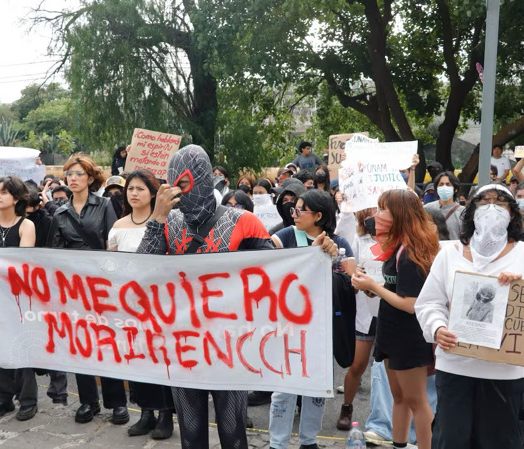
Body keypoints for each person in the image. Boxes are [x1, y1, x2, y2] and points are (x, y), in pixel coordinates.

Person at [137, 144, 340, 449]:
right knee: (191, 436)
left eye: (184, 184)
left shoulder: (243, 221)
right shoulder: (169, 223)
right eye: (172, 184)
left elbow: (280, 276)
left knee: (233, 434)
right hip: (183, 345)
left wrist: (317, 256)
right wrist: (157, 218)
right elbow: (141, 273)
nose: (179, 192)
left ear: (204, 179)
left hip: (230, 346)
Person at [415, 184, 524, 449]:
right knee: (451, 440)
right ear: (472, 212)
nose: (491, 208)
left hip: (506, 371)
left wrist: (522, 290)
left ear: (512, 214)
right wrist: (437, 327)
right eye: (484, 201)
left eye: (500, 203)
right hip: (455, 366)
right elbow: (429, 303)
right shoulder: (449, 254)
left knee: (498, 442)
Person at [351, 189, 439, 449]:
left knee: (417, 401)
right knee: (398, 397)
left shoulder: (412, 253)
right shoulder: (396, 247)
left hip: (408, 336)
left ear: (399, 214)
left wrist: (374, 287)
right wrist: (369, 287)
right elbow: (394, 290)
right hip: (390, 330)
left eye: (383, 210)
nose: (377, 215)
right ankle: (399, 444)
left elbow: (412, 305)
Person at [268, 189, 353, 449]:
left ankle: (309, 440)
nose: (294, 213)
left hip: (322, 328)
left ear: (319, 215)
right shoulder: (284, 236)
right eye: (294, 209)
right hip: (287, 325)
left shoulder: (339, 243)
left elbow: (351, 283)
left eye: (300, 209)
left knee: (317, 388)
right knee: (283, 388)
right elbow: (268, 267)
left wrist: (331, 260)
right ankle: (277, 442)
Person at [49, 153, 129, 425]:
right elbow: (56, 254)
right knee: (81, 344)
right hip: (74, 287)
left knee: (107, 342)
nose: (73, 178)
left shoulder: (106, 204)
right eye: (69, 174)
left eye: (79, 173)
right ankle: (88, 401)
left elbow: (111, 243)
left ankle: (117, 402)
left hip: (103, 284)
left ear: (91, 178)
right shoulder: (59, 211)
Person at [107, 169, 175, 440]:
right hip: (128, 305)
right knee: (136, 358)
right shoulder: (118, 227)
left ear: (153, 193)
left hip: (160, 303)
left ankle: (166, 415)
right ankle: (146, 412)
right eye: (130, 189)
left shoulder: (167, 222)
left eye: (140, 189)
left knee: (161, 358)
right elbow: (109, 266)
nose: (134, 193)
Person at [0, 177, 39, 422]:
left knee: (21, 345)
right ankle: (2, 398)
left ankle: (28, 400)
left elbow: (21, 260)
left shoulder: (26, 225)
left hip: (17, 297)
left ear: (16, 198)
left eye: (4, 192)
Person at [337, 208, 378, 430]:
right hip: (365, 310)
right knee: (358, 364)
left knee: (389, 370)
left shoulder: (399, 240)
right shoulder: (357, 239)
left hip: (390, 309)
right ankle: (347, 407)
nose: (375, 215)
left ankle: (386, 417)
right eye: (371, 211)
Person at [423, 172, 464, 241]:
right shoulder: (427, 209)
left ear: (455, 189)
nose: (444, 187)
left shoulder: (462, 212)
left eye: (448, 184)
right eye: (441, 184)